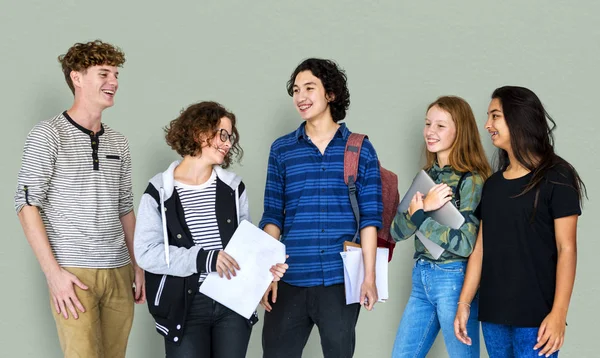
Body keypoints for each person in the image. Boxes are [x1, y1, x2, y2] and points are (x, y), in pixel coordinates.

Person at [14, 40, 144, 358]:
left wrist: (138, 266)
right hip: (74, 274)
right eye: (103, 73)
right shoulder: (48, 134)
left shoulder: (119, 142)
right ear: (77, 78)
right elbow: (26, 204)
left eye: (115, 74)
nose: (113, 82)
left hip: (119, 272)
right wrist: (53, 274)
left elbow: (125, 208)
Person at [134, 101, 287, 358]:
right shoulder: (158, 191)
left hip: (233, 304)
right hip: (186, 307)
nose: (228, 144)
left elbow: (244, 247)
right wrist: (205, 258)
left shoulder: (233, 187)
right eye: (223, 135)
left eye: (230, 137)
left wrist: (266, 268)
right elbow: (146, 253)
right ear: (199, 132)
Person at [259, 58, 383, 358]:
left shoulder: (360, 148)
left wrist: (369, 277)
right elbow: (273, 216)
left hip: (340, 282)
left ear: (330, 94)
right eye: (296, 90)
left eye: (310, 88)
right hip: (290, 277)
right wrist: (265, 275)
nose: (301, 97)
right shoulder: (282, 149)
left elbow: (370, 219)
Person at [454, 86, 586, 358]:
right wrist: (464, 303)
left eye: (495, 116)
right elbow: (480, 249)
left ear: (518, 118)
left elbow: (567, 249)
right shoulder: (492, 185)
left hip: (537, 320)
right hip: (493, 317)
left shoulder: (557, 177)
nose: (487, 125)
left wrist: (559, 314)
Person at [390, 96, 491, 357]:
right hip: (420, 278)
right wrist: (422, 209)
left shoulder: (472, 180)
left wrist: (424, 214)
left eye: (440, 126)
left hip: (453, 280)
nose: (430, 132)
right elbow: (396, 231)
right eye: (427, 124)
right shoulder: (427, 177)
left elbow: (466, 244)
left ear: (460, 130)